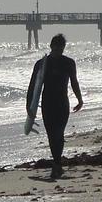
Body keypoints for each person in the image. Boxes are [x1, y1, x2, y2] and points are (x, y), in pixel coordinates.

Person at [27, 34, 83, 179]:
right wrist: (29, 105)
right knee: (52, 136)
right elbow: (33, 85)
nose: (58, 53)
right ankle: (57, 164)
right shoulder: (42, 64)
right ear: (51, 47)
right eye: (56, 49)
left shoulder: (69, 63)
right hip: (48, 103)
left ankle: (57, 165)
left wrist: (80, 99)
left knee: (59, 134)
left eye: (61, 50)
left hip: (62, 103)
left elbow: (74, 82)